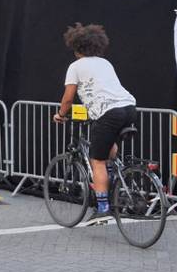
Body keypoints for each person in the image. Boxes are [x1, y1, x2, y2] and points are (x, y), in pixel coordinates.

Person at [52, 23, 140, 225]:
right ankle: (114, 184)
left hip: (108, 113)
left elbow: (68, 98)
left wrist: (60, 115)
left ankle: (103, 209)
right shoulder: (105, 63)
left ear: (75, 47)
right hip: (129, 108)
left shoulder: (75, 67)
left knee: (97, 161)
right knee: (108, 149)